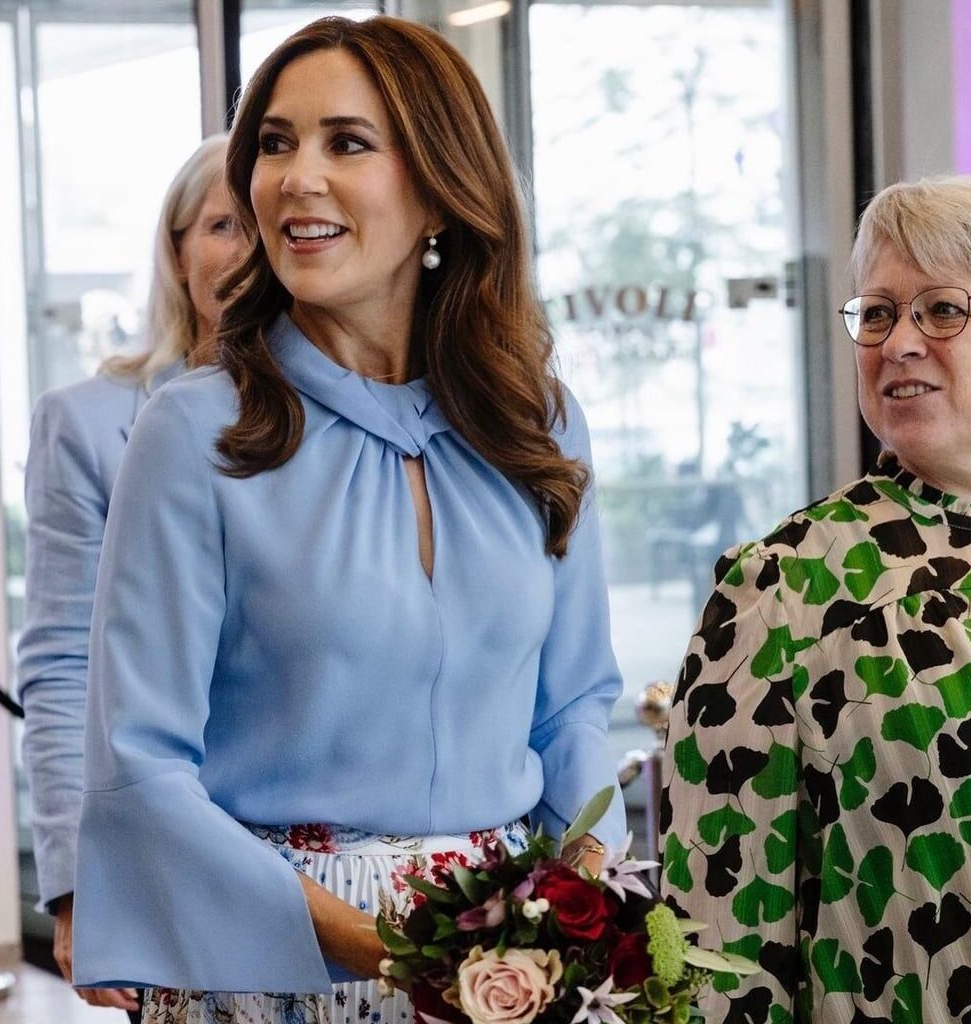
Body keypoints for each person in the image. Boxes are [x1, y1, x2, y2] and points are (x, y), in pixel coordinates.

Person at [71, 15, 625, 1023]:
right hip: (274, 954)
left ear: (441, 191)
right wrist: (377, 944)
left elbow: (574, 705)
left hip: (510, 958)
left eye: (346, 142)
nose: (295, 178)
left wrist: (578, 883)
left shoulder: (535, 420)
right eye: (274, 144)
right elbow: (140, 764)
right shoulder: (194, 429)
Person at [659, 174, 971, 1022]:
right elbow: (718, 949)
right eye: (876, 314)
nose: (899, 342)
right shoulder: (782, 585)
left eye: (942, 310)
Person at [16, 133, 243, 1018]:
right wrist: (78, 883)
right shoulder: (89, 423)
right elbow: (65, 663)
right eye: (223, 224)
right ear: (178, 251)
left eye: (265, 225)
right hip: (166, 856)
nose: (248, 251)